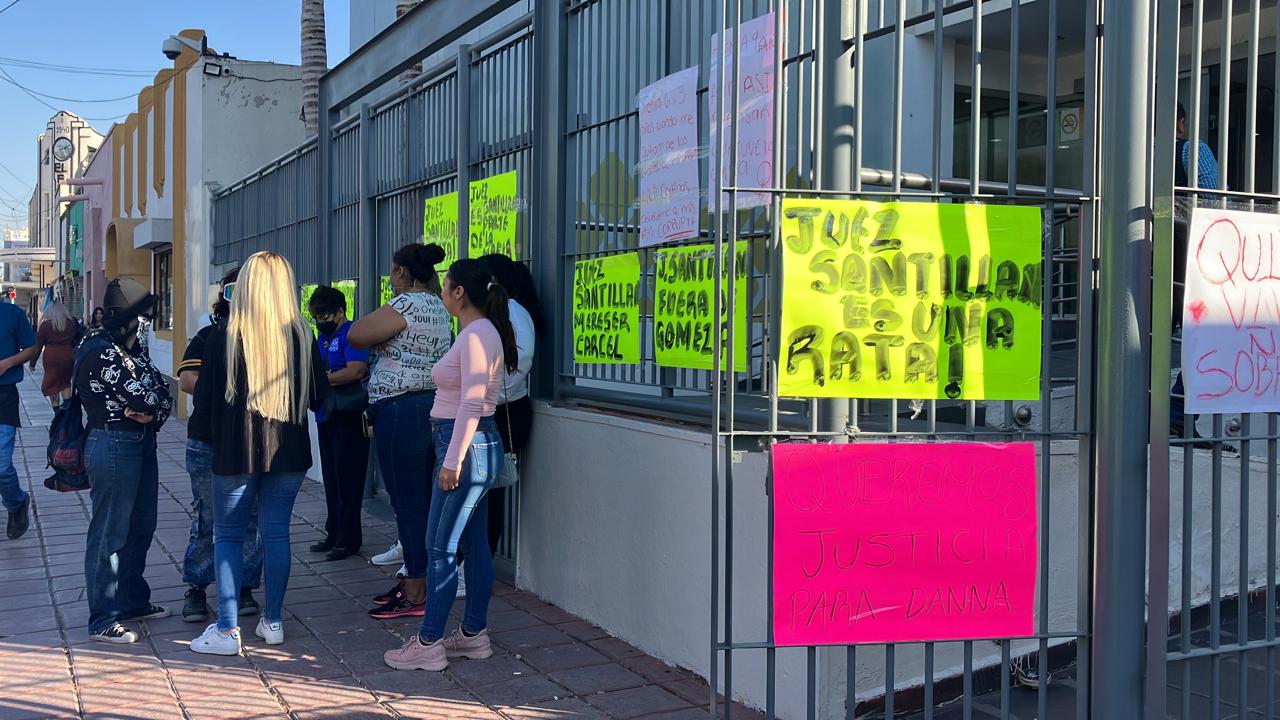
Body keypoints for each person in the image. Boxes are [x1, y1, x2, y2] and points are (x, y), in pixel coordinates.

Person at [189, 252, 331, 655]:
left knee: (228, 536)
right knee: (276, 534)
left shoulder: (224, 334)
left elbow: (205, 405)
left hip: (234, 452)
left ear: (247, 286)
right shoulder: (302, 334)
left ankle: (227, 629)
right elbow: (321, 398)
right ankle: (274, 621)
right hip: (289, 452)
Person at [384, 258, 516, 672]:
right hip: (474, 445)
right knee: (473, 545)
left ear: (460, 293)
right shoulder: (482, 332)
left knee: (439, 547)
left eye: (445, 288)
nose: (440, 295)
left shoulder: (477, 335)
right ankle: (473, 636)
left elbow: (473, 401)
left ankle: (428, 641)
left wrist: (452, 460)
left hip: (465, 447)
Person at [349, 244, 452, 619]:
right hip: (429, 407)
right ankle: (416, 579)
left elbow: (357, 335)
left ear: (403, 273)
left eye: (392, 272)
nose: (390, 279)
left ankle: (415, 592)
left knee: (407, 503)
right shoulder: (440, 306)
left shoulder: (408, 304)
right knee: (420, 501)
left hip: (400, 410)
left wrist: (380, 338)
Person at [78, 278, 174, 643]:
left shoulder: (129, 348)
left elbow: (161, 394)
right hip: (114, 444)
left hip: (140, 442)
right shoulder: (100, 349)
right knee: (109, 533)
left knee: (141, 526)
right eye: (139, 316)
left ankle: (132, 600)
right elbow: (147, 398)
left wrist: (151, 410)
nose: (144, 324)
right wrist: (149, 406)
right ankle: (102, 617)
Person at [178, 268, 264, 623]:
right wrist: (226, 393)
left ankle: (244, 587)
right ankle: (196, 587)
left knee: (249, 517)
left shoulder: (268, 339)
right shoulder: (208, 335)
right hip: (208, 441)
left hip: (250, 442)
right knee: (207, 517)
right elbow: (185, 379)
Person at [477, 254, 538, 559]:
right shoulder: (512, 313)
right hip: (505, 409)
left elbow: (511, 371)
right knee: (487, 492)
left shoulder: (507, 314)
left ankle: (479, 563)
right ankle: (477, 562)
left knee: (487, 494)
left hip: (501, 411)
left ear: (492, 281)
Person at [1170, 101, 1222, 444]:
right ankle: (1176, 416)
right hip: (1188, 259)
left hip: (1139, 261)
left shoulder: (1122, 156)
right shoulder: (1192, 150)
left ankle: (1146, 418)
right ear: (1181, 123)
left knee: (1143, 345)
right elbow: (1211, 204)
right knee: (1206, 340)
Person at [308, 285, 371, 562]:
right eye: (316, 317)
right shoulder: (323, 338)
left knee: (349, 479)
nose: (320, 322)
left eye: (324, 316)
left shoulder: (353, 334)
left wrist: (322, 379)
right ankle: (333, 531)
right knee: (332, 479)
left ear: (340, 312)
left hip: (349, 414)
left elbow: (356, 370)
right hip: (327, 413)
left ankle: (349, 539)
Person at [0, 297, 36, 541]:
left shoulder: (12, 314)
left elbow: (31, 348)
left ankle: (17, 503)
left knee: (1, 466)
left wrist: (8, 362)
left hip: (4, 396)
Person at [28, 300, 79, 408]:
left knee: (52, 382)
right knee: (65, 382)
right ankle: (67, 409)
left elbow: (38, 347)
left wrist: (32, 363)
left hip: (51, 357)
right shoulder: (70, 324)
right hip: (68, 356)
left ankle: (56, 411)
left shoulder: (45, 326)